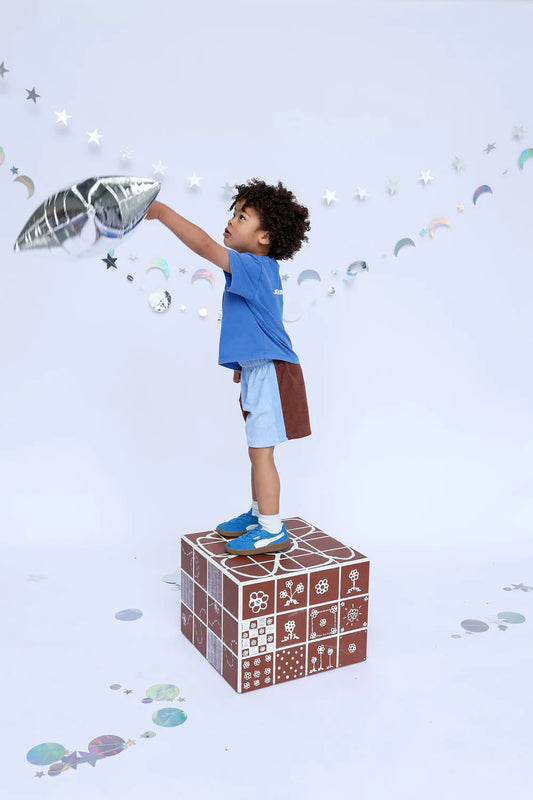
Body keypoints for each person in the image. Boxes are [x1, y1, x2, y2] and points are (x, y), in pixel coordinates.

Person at [145, 178, 311, 555]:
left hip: (272, 372)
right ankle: (258, 514)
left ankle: (272, 528)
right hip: (260, 368)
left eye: (243, 217)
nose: (232, 221)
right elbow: (263, 321)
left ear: (265, 236)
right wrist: (244, 363)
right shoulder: (259, 270)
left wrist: (162, 213)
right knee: (256, 449)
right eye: (234, 213)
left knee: (261, 452)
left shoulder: (254, 266)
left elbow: (205, 245)